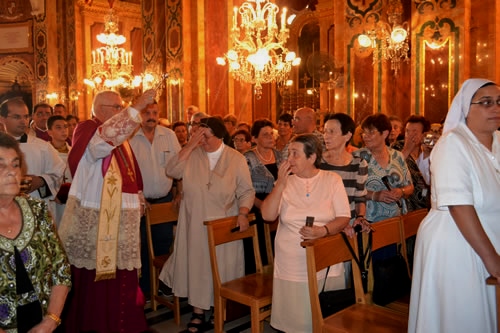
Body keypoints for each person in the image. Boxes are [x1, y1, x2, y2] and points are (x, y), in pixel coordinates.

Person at [58, 89, 155, 332]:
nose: (121, 113)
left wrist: (140, 198)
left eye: (122, 108)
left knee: (124, 276)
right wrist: (137, 106)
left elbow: (130, 177)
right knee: (99, 284)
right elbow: (101, 145)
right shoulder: (89, 129)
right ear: (100, 109)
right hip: (99, 223)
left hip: (124, 222)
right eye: (117, 108)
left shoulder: (122, 140)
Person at [409, 79, 500, 333]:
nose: (496, 108)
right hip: (457, 243)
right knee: (461, 315)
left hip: (488, 237)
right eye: (486, 102)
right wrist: (492, 260)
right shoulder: (452, 144)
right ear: (465, 108)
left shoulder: (497, 140)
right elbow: (459, 206)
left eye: (499, 102)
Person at [159, 117, 255, 333]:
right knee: (197, 267)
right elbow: (171, 171)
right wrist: (191, 144)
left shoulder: (236, 158)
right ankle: (198, 311)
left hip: (224, 221)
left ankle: (221, 308)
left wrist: (243, 212)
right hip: (194, 221)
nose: (202, 140)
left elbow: (247, 191)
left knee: (222, 267)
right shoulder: (192, 154)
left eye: (206, 136)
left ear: (220, 136)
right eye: (199, 135)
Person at [261, 134, 351, 333]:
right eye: (288, 153)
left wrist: (323, 230)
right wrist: (280, 184)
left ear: (311, 158)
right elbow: (267, 215)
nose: (289, 159)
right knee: (294, 320)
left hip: (324, 256)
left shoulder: (331, 180)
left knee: (324, 317)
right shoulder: (285, 183)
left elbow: (344, 217)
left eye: (295, 154)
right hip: (291, 261)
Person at [0, 132, 71, 332]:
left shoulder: (37, 210)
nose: (12, 172)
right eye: (1, 165)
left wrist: (51, 320)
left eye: (15, 164)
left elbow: (61, 269)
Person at [129, 100, 181, 297]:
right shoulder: (131, 137)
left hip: (165, 199)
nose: (151, 116)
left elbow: (179, 166)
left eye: (154, 112)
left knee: (163, 242)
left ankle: (162, 285)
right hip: (140, 203)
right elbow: (128, 172)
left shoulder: (168, 135)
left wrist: (180, 193)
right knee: (141, 245)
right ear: (139, 115)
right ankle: (145, 289)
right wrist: (139, 196)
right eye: (146, 112)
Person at [0, 98, 65, 213]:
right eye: (16, 117)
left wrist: (41, 181)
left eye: (26, 116)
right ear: (2, 118)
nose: (23, 121)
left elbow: (59, 171)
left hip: (36, 208)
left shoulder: (43, 147)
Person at [354, 113, 414, 223]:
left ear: (385, 133)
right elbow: (348, 189)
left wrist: (401, 191)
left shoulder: (397, 156)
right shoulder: (356, 157)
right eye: (364, 132)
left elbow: (410, 186)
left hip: (396, 220)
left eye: (371, 132)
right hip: (368, 221)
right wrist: (374, 195)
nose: (365, 136)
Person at [243, 119, 282, 273]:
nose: (270, 138)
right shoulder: (247, 158)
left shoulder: (279, 155)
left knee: (275, 247)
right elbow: (244, 188)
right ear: (254, 138)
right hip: (254, 207)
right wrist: (262, 206)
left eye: (271, 134)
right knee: (257, 251)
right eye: (265, 135)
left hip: (278, 207)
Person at [320, 113, 368, 235]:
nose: (326, 136)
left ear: (347, 135)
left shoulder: (359, 164)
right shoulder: (317, 162)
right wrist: (337, 224)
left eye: (332, 132)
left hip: (349, 228)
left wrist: (361, 217)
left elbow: (359, 198)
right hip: (322, 226)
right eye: (325, 131)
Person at [392, 115, 431, 211]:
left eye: (415, 132)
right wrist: (407, 149)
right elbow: (393, 167)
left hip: (425, 204)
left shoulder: (428, 151)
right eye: (407, 131)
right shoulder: (397, 147)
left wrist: (427, 153)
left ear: (424, 134)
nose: (410, 135)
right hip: (404, 204)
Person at [47, 115, 72, 227]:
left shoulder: (74, 151)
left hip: (71, 197)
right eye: (58, 127)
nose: (63, 130)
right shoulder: (45, 151)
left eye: (65, 127)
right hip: (52, 198)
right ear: (49, 132)